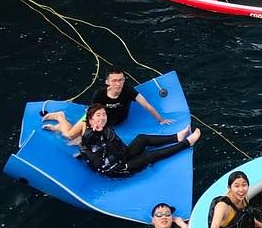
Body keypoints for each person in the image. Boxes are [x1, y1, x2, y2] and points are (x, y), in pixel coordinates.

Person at [43, 68, 175, 142]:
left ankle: (60, 127)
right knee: (70, 137)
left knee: (80, 140)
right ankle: (60, 117)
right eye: (114, 81)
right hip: (97, 119)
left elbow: (146, 105)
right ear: (108, 82)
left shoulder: (128, 90)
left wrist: (161, 119)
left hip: (114, 122)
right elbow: (91, 114)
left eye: (121, 80)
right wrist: (89, 130)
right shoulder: (99, 94)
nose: (118, 84)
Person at [76, 102, 200, 177]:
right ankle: (188, 142)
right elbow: (92, 154)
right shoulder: (91, 135)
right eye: (98, 115)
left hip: (122, 154)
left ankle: (177, 137)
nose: (102, 117)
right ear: (91, 120)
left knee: (142, 138)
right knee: (151, 156)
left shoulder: (104, 128)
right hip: (118, 168)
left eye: (104, 114)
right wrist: (96, 135)